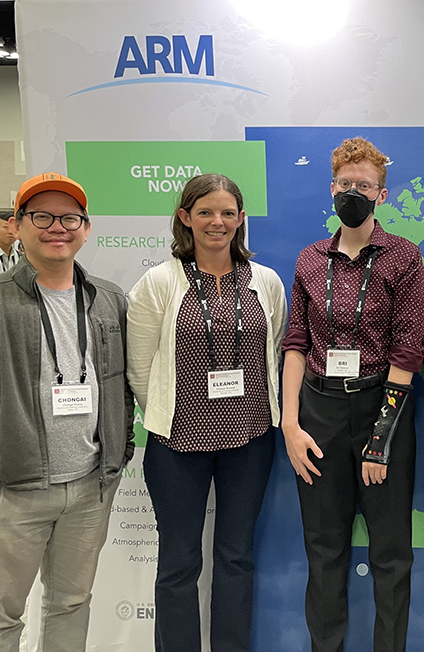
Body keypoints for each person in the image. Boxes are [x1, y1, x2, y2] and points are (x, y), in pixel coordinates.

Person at [0, 172, 134, 652]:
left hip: (89, 487)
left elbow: (122, 385)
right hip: (13, 489)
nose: (57, 227)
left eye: (69, 217)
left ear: (86, 229)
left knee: (71, 603)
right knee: (1, 617)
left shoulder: (108, 299)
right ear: (18, 226)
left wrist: (119, 451)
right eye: (41, 216)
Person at [127, 174, 287, 652]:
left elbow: (272, 353)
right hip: (177, 445)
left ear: (241, 219)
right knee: (178, 562)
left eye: (227, 213)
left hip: (249, 440)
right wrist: (170, 416)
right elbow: (140, 369)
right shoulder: (159, 282)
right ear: (184, 218)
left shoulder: (265, 281)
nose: (217, 222)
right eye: (205, 213)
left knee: (236, 557)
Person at [281, 137, 424, 652]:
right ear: (331, 189)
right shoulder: (309, 259)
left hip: (381, 408)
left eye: (364, 186)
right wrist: (290, 424)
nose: (353, 193)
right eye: (345, 185)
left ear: (381, 195)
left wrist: (380, 439)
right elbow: (295, 342)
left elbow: (407, 352)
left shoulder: (404, 258)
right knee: (324, 551)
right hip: (317, 412)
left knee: (391, 554)